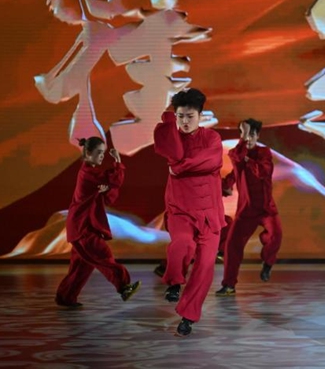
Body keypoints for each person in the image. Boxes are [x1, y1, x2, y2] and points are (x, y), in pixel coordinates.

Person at [154, 88, 225, 337]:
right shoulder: (172, 138)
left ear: (200, 115)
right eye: (181, 116)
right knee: (182, 244)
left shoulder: (212, 138)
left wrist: (181, 166)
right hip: (181, 209)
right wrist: (168, 118)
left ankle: (188, 316)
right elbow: (163, 140)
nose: (185, 121)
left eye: (190, 116)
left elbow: (213, 161)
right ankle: (174, 281)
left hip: (210, 213)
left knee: (205, 267)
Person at [55, 137, 140, 307]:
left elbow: (108, 195)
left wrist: (106, 187)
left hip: (82, 227)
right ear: (88, 153)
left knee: (81, 268)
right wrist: (117, 161)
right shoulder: (88, 175)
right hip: (82, 228)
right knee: (103, 256)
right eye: (99, 153)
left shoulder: (92, 176)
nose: (102, 156)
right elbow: (114, 179)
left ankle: (65, 297)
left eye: (103, 153)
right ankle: (124, 287)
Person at [216, 118, 282, 296]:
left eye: (252, 134)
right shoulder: (237, 153)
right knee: (232, 246)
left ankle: (267, 263)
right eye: (245, 134)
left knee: (275, 236)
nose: (249, 138)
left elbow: (263, 171)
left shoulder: (264, 152)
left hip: (267, 208)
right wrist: (226, 185)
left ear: (258, 135)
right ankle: (229, 284)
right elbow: (235, 167)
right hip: (246, 211)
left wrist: (247, 159)